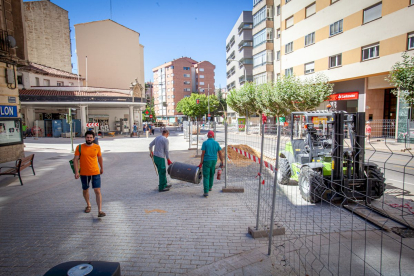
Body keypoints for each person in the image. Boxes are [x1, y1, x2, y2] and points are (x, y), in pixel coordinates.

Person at [73, 130, 105, 217]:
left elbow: (100, 158)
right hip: (84, 173)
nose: (89, 139)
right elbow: (75, 159)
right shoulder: (79, 147)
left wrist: (102, 167)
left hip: (95, 171)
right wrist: (76, 172)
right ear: (85, 138)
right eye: (87, 137)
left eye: (91, 137)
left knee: (97, 190)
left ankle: (100, 210)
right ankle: (88, 204)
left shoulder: (97, 147)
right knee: (85, 189)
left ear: (93, 138)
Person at [199, 131, 224, 197]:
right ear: (213, 136)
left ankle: (206, 191)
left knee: (206, 175)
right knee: (211, 174)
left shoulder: (205, 143)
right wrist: (222, 161)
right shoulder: (216, 143)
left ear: (207, 136)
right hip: (214, 161)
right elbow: (220, 153)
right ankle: (210, 187)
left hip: (206, 161)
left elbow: (203, 154)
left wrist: (201, 162)